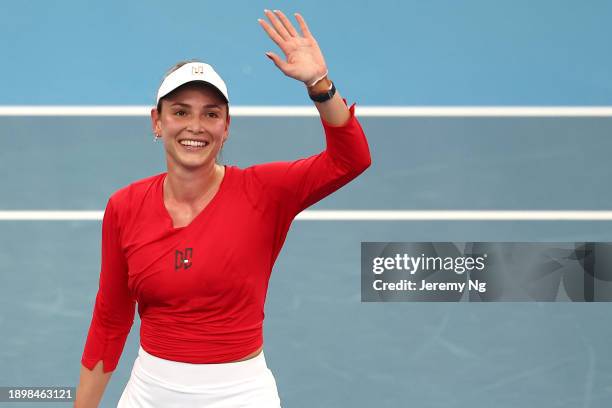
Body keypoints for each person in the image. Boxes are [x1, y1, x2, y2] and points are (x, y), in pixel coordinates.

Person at [74, 9, 371, 408]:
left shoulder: (265, 192)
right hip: (149, 393)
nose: (195, 126)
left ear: (226, 127)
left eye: (210, 114)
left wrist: (319, 85)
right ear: (157, 122)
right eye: (180, 111)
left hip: (239, 395)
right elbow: (110, 321)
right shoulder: (124, 206)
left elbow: (350, 160)